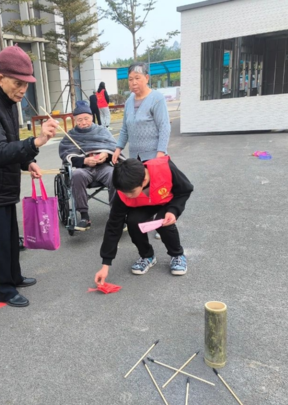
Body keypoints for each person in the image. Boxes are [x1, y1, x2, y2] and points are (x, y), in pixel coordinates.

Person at [0, 45, 58, 308]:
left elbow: (11, 140)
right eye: (18, 83)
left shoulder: (7, 100)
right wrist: (37, 141)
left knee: (9, 237)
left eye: (26, 84)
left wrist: (27, 161)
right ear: (1, 76)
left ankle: (14, 277)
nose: (22, 89)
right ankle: (3, 290)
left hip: (4, 183)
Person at [94, 157, 193, 286]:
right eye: (123, 192)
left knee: (163, 221)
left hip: (166, 201)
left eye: (130, 192)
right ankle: (147, 256)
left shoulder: (165, 168)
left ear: (144, 180)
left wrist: (173, 210)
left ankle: (177, 255)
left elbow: (185, 190)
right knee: (133, 221)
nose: (126, 195)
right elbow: (114, 226)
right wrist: (105, 265)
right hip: (143, 203)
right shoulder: (123, 191)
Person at [58, 100, 117, 231]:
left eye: (86, 118)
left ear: (92, 117)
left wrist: (105, 154)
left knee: (115, 174)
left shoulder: (102, 131)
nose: (83, 123)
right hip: (83, 169)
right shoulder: (71, 135)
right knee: (77, 175)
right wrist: (84, 161)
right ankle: (84, 216)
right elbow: (66, 154)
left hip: (103, 167)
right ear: (75, 121)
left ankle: (116, 212)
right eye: (79, 120)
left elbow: (113, 147)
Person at [112, 63, 171, 164]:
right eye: (130, 79)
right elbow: (125, 129)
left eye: (137, 78)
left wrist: (160, 153)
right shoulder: (129, 101)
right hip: (135, 158)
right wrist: (118, 149)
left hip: (154, 157)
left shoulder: (157, 98)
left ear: (147, 78)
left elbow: (164, 127)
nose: (134, 83)